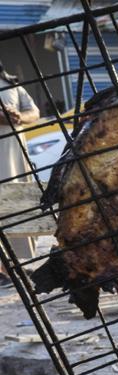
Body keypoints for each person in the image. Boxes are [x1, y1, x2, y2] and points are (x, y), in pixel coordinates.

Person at [0, 59, 41, 287]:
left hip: (14, 156)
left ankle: (13, 266)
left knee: (17, 208)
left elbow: (33, 112)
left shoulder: (12, 86)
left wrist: (17, 118)